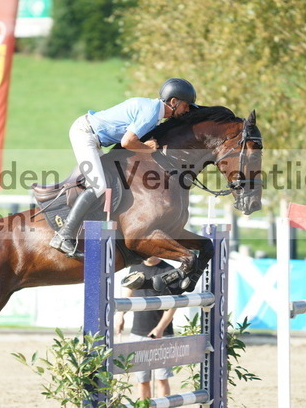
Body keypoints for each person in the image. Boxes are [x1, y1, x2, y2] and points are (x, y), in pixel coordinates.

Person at [49, 78, 198, 257]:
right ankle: (63, 235)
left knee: (112, 181)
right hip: (85, 133)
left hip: (95, 138)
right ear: (173, 102)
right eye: (186, 105)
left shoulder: (153, 112)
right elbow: (127, 142)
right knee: (99, 185)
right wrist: (147, 149)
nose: (187, 110)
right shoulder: (151, 112)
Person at [115, 257, 177, 400]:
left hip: (163, 334)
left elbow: (173, 304)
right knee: (142, 380)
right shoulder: (134, 267)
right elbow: (130, 293)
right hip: (138, 332)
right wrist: (120, 315)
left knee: (162, 379)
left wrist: (160, 328)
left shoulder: (169, 270)